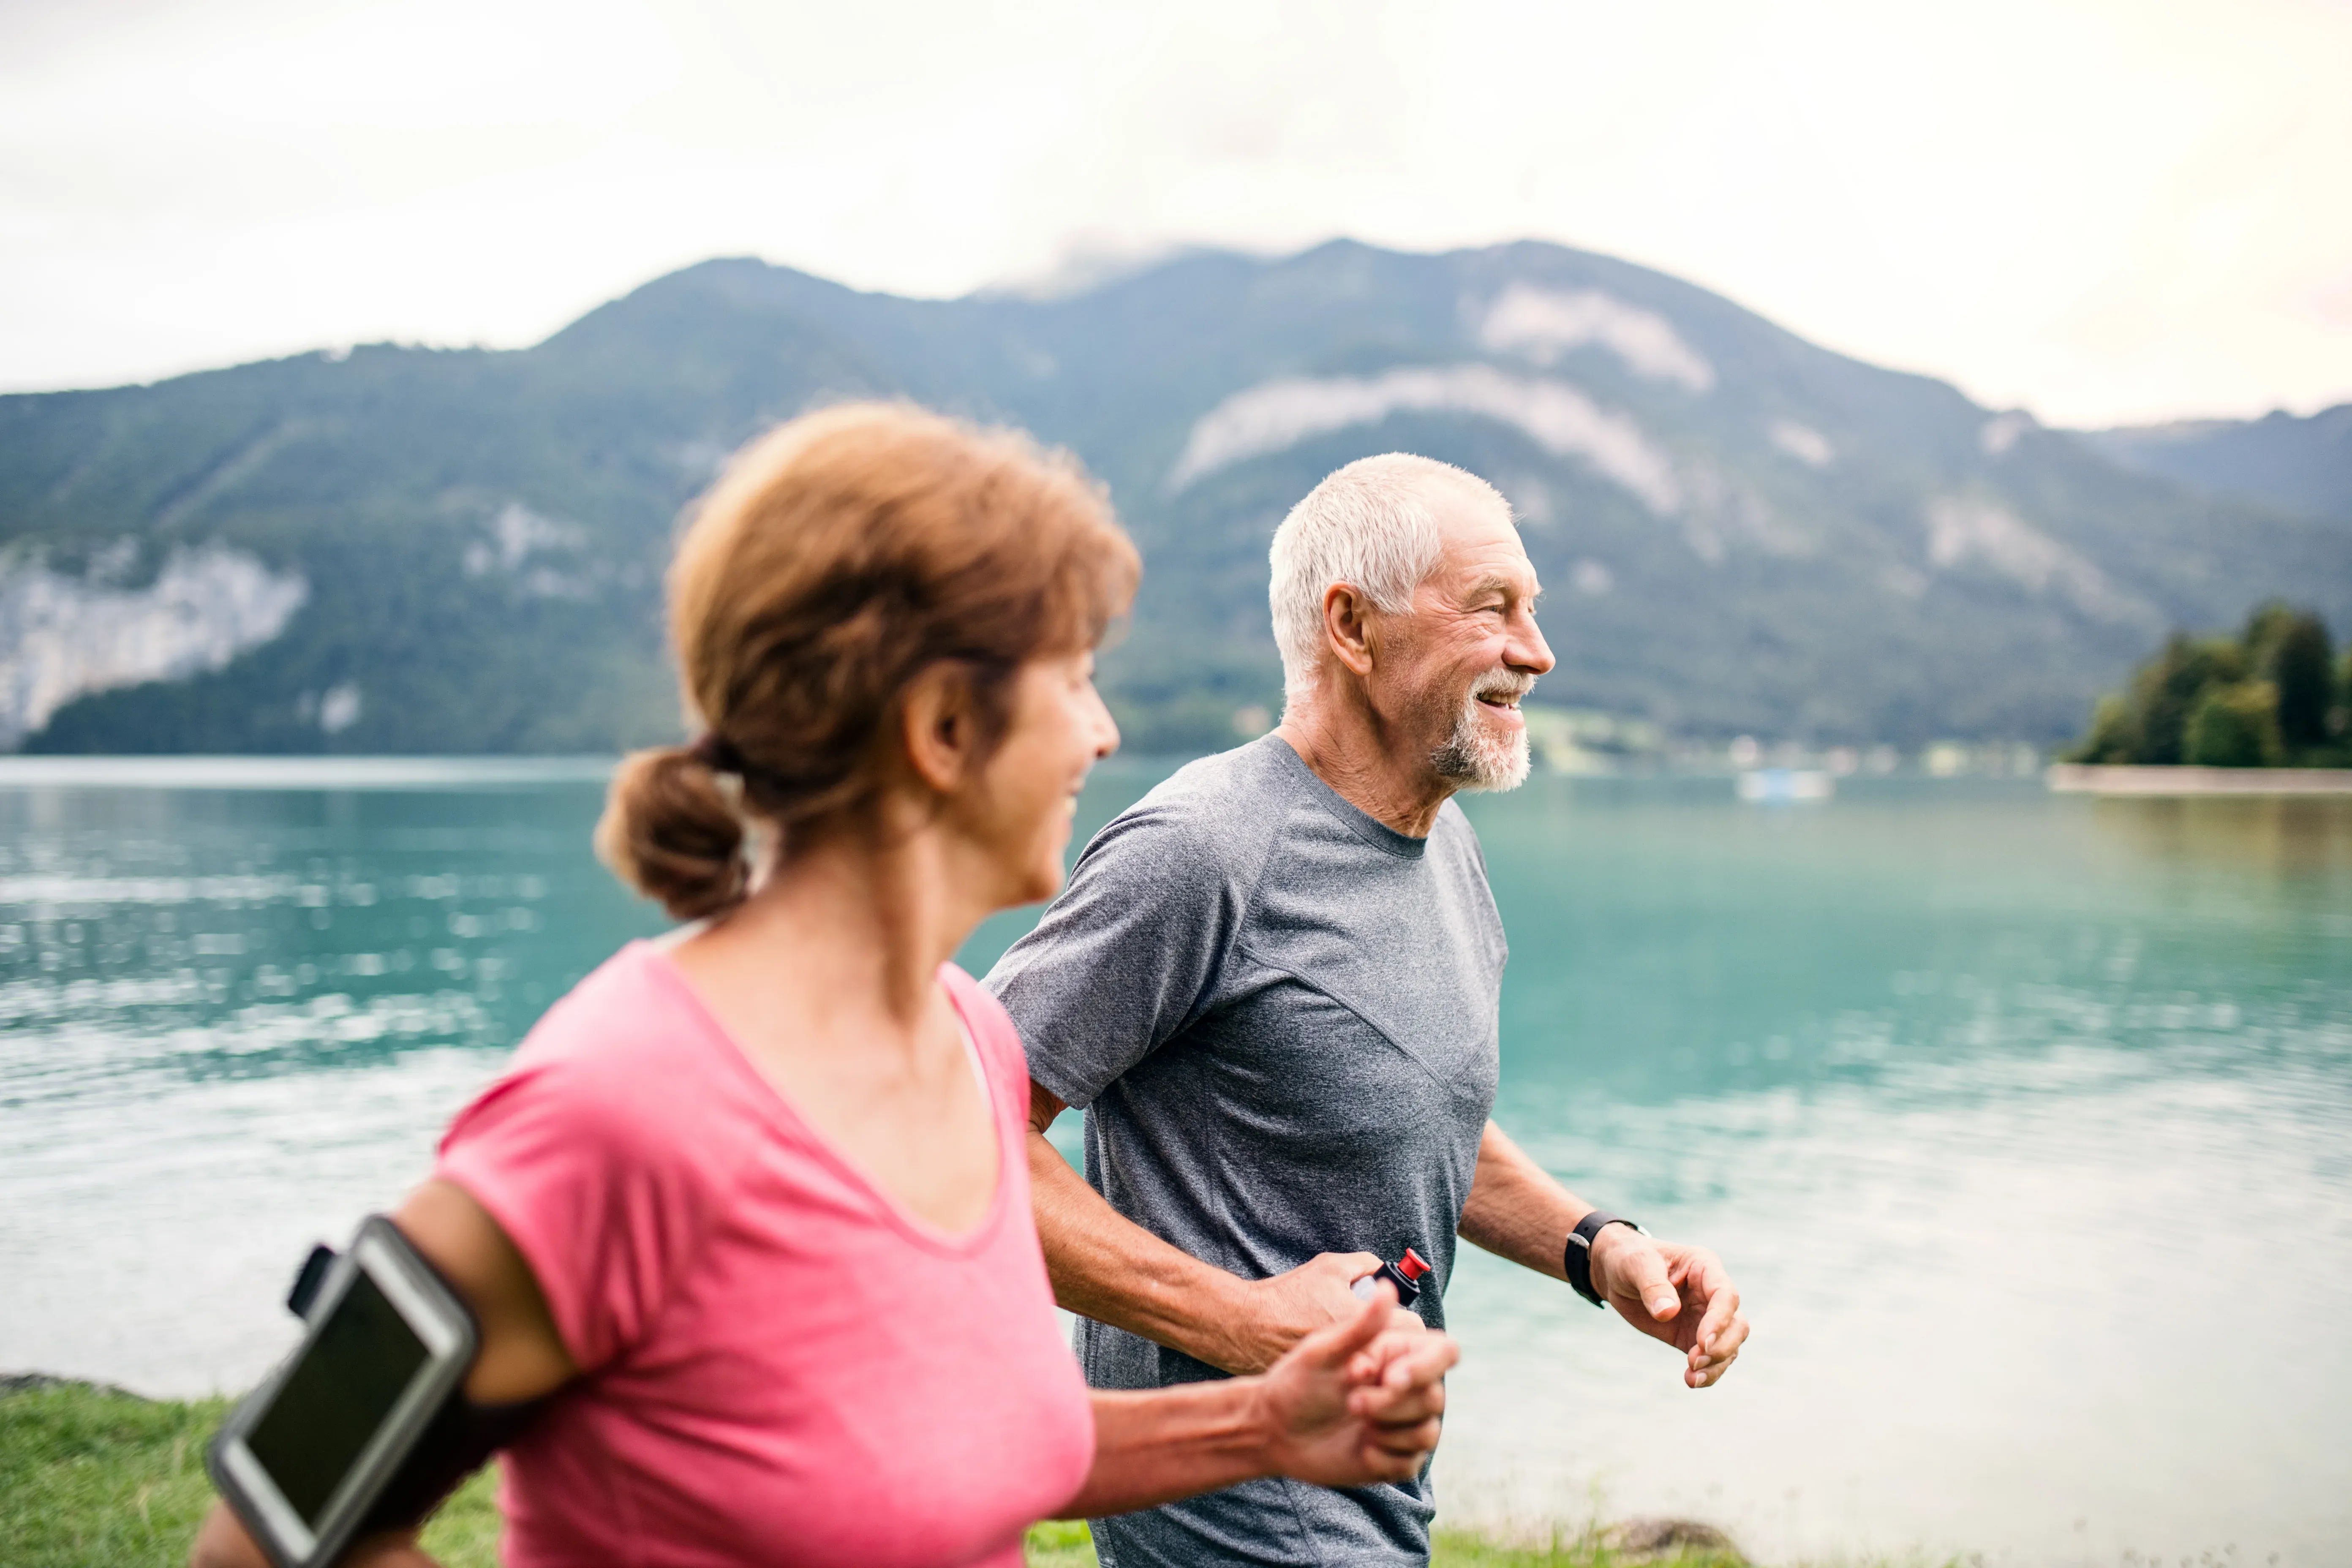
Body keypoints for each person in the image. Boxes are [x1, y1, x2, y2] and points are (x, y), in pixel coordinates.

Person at [189, 406, 1458, 1568]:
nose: (1103, 732)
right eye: (1073, 678)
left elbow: (975, 1450)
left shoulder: (969, 1042)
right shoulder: (615, 1111)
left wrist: (1261, 1426)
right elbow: (269, 1537)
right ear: (942, 731)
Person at [986, 453, 1753, 1568]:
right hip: (1235, 1506)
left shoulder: (1445, 845)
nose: (1535, 653)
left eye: (1533, 612)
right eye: (1492, 609)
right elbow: (960, 1136)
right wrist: (1238, 1324)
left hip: (1374, 1491)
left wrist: (1600, 1249)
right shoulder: (1199, 853)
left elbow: (1403, 1103)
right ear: (1352, 625)